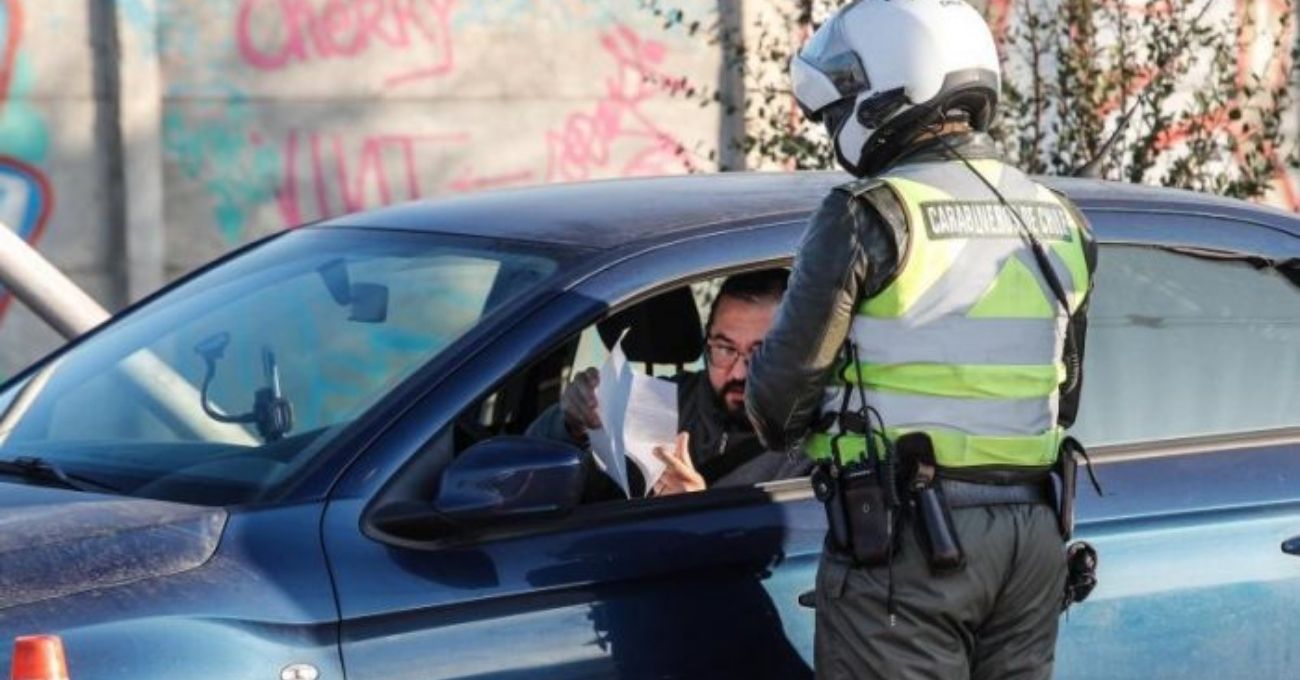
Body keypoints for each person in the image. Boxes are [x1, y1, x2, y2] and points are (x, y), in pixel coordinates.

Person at [745, 2, 1097, 679]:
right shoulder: (1061, 219)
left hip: (910, 544)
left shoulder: (871, 213)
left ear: (886, 91)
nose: (832, 128)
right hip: (1033, 541)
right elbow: (1064, 398)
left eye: (837, 107)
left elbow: (777, 407)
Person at [527, 268, 809, 498]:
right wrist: (572, 426)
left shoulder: (823, 441)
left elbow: (801, 557)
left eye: (762, 353)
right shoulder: (658, 402)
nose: (738, 373)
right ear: (707, 343)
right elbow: (533, 478)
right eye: (725, 348)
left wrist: (699, 512)